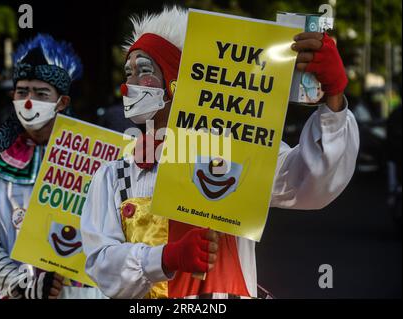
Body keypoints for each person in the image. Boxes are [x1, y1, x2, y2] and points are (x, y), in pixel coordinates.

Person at [81, 6, 360, 298]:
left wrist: (334, 96)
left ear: (176, 82)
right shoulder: (113, 175)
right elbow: (101, 264)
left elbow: (312, 183)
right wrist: (164, 259)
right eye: (129, 73)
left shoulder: (238, 152)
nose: (129, 86)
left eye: (144, 72)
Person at [0, 34, 105, 299]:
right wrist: (21, 284)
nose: (29, 101)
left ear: (62, 102)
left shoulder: (96, 160)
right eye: (22, 92)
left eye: (41, 93)